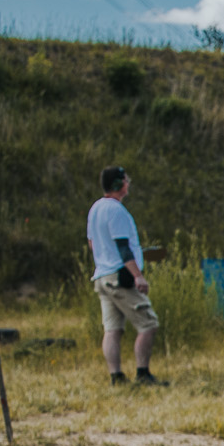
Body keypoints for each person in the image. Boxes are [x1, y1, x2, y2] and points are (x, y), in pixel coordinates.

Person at [86, 165, 162, 387]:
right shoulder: (116, 210)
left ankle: (116, 377)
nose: (128, 183)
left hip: (102, 276)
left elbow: (92, 244)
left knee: (112, 329)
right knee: (148, 324)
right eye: (125, 180)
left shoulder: (95, 208)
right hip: (119, 278)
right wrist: (137, 275)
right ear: (119, 185)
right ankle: (142, 373)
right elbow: (123, 247)